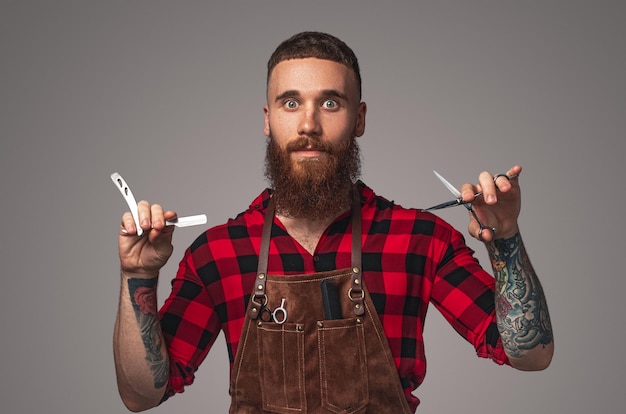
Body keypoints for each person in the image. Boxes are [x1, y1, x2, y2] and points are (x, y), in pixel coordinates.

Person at [113, 31, 553, 413]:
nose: (309, 124)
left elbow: (530, 356)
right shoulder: (219, 252)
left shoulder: (421, 239)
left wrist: (506, 240)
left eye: (330, 102)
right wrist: (139, 274)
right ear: (268, 120)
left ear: (358, 119)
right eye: (290, 102)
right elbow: (142, 396)